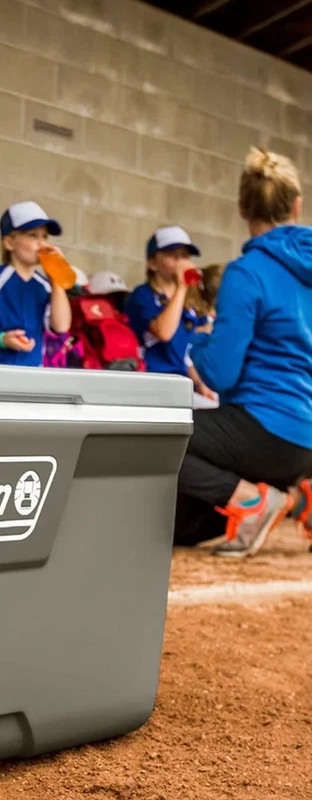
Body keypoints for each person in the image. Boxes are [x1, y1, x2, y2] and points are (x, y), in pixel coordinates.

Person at [174, 148, 312, 557]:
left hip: (265, 429)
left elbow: (220, 374)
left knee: (157, 438)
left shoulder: (246, 273)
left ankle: (252, 502)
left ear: (241, 208)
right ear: (296, 205)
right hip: (305, 439)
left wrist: (199, 344)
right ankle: (300, 497)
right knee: (182, 528)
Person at [124, 227, 216, 401]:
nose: (180, 261)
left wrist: (201, 384)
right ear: (152, 263)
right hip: (151, 380)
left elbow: (187, 350)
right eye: (172, 255)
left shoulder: (188, 299)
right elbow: (164, 333)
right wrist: (182, 287)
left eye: (184, 255)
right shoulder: (143, 294)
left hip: (181, 380)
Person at [0, 201, 73, 366]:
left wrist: (56, 278)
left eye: (44, 237)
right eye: (33, 235)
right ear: (9, 243)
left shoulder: (44, 285)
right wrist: (1, 340)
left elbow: (61, 326)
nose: (42, 244)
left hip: (33, 368)